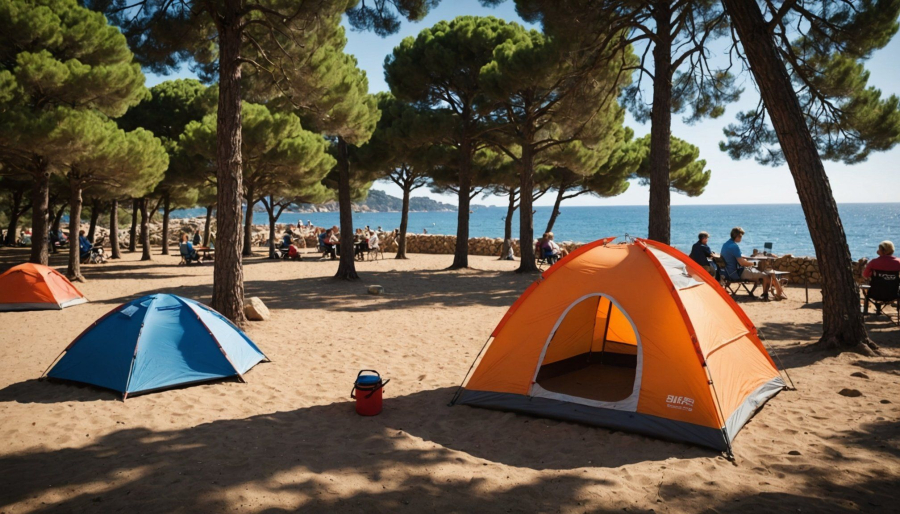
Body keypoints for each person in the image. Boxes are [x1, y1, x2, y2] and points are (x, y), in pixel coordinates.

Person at [721, 227, 785, 301]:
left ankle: (767, 294)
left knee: (761, 273)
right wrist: (754, 263)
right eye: (741, 237)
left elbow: (735, 256)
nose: (741, 239)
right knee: (766, 276)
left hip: (728, 272)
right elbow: (742, 263)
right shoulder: (734, 246)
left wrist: (745, 258)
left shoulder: (726, 244)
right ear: (738, 236)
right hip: (736, 273)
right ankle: (765, 296)